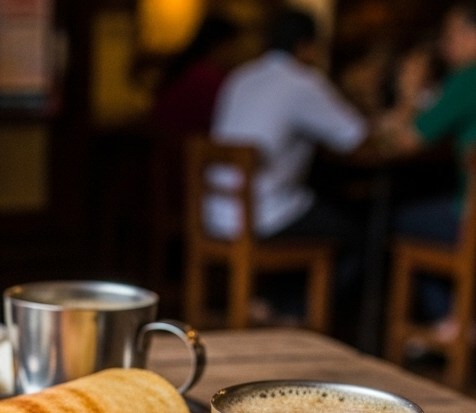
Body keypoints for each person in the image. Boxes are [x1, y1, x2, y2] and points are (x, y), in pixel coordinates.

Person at [206, 8, 368, 298]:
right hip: (261, 216)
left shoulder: (240, 77)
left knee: (313, 212)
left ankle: (269, 304)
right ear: (307, 46)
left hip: (215, 213)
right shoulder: (302, 82)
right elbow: (355, 136)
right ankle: (291, 312)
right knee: (360, 235)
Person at [383, 2, 476, 326]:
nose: (444, 43)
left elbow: (407, 141)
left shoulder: (469, 76)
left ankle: (451, 321)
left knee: (400, 219)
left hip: (471, 220)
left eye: (451, 34)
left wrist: (408, 92)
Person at [151, 15, 240, 139]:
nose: (237, 53)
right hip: (189, 151)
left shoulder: (185, 69)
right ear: (219, 45)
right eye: (234, 47)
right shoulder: (208, 78)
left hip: (165, 150)